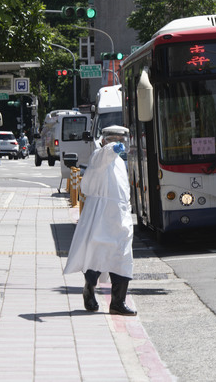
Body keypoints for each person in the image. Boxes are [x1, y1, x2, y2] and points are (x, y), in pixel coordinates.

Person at [63, 125, 136, 315]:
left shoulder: (120, 162)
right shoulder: (99, 155)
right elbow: (106, 153)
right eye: (113, 140)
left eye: (120, 140)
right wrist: (112, 147)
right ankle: (89, 289)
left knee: (123, 258)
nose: (117, 144)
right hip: (102, 216)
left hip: (120, 216)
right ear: (103, 140)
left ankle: (117, 303)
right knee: (97, 255)